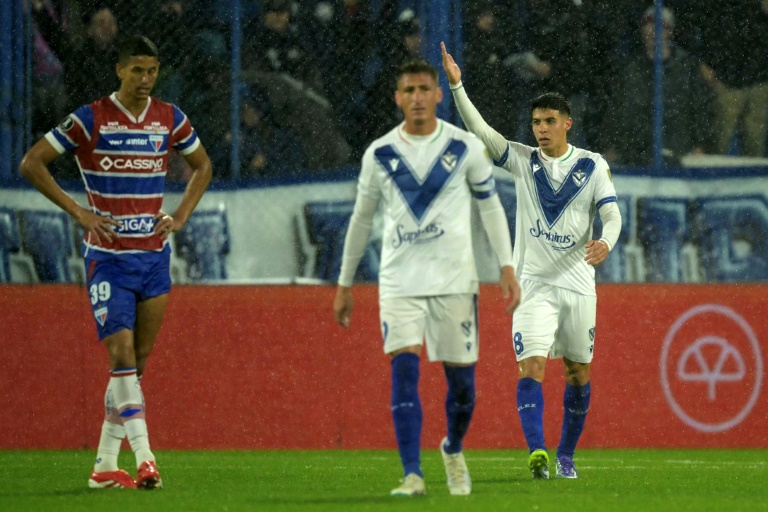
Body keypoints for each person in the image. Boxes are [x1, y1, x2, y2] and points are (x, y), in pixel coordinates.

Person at [18, 35, 213, 490]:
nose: (145, 79)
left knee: (134, 365)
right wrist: (80, 212)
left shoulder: (170, 118)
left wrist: (181, 215)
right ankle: (146, 459)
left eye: (152, 71)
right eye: (137, 70)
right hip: (108, 259)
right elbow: (31, 162)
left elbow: (203, 166)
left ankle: (105, 464)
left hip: (154, 257)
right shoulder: (90, 118)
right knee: (122, 356)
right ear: (120, 70)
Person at [333, 59, 521, 497]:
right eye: (409, 90)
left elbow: (491, 206)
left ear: (438, 95)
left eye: (424, 89)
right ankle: (412, 474)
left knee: (463, 389)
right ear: (397, 98)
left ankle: (452, 447)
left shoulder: (465, 147)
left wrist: (507, 265)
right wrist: (344, 283)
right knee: (404, 370)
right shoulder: (379, 154)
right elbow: (361, 220)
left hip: (455, 281)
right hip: (399, 282)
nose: (417, 97)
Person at [441, 42, 622, 480]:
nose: (541, 129)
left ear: (567, 124)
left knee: (577, 373)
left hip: (578, 285)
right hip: (534, 285)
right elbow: (481, 131)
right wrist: (458, 86)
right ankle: (538, 452)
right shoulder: (522, 161)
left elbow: (612, 213)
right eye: (536, 122)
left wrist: (607, 241)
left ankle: (566, 456)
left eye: (549, 122)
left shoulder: (593, 166)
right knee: (532, 366)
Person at [602, 6, 713, 166]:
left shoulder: (687, 67)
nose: (653, 31)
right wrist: (613, 146)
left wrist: (699, 144)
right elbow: (617, 110)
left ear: (670, 31)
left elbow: (700, 107)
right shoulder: (630, 69)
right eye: (648, 26)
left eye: (661, 26)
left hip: (679, 152)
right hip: (636, 153)